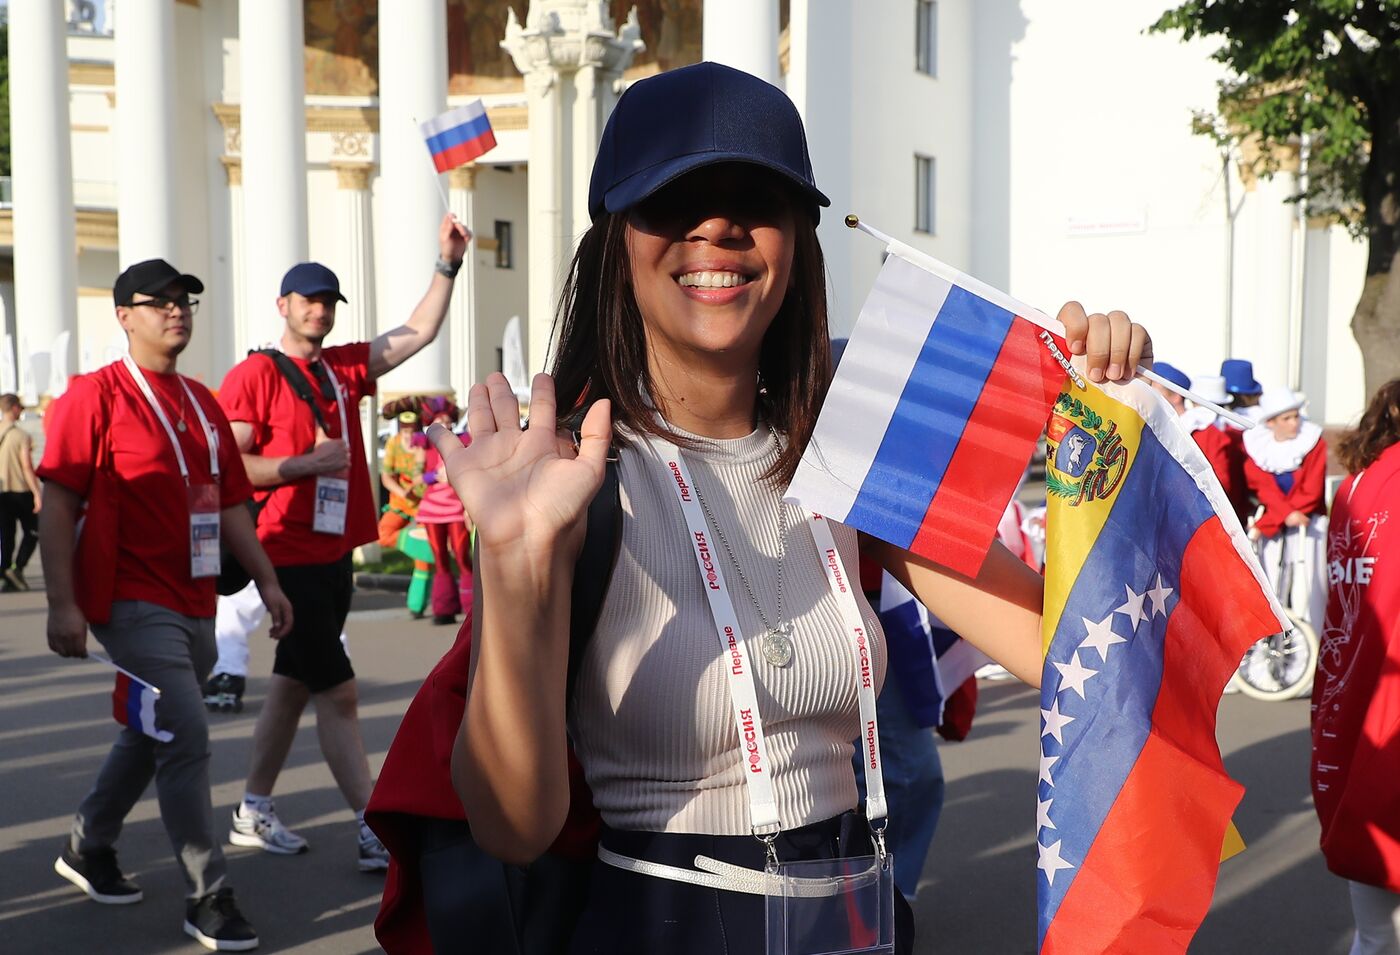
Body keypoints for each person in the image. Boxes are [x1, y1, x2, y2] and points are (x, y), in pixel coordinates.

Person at [425, 62, 1151, 953]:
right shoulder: (566, 475)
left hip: (853, 922)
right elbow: (512, 827)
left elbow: (1069, 649)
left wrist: (1109, 431)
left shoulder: (857, 444)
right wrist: (514, 558)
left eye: (757, 199)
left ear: (800, 240)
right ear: (617, 237)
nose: (719, 226)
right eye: (674, 199)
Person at [39, 258, 293, 952]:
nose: (177, 311)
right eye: (160, 302)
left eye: (185, 301)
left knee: (152, 729)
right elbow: (57, 505)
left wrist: (268, 581)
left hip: (194, 597)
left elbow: (233, 501)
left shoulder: (203, 401)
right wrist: (62, 604)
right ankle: (206, 893)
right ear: (124, 315)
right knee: (185, 731)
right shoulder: (93, 396)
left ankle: (89, 842)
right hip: (127, 600)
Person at [217, 213, 468, 872]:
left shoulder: (342, 368)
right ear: (284, 306)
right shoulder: (254, 376)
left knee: (294, 685)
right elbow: (229, 468)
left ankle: (252, 807)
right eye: (310, 301)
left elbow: (418, 331)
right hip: (283, 553)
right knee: (341, 691)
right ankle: (371, 824)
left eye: (328, 301)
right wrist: (302, 465)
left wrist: (448, 264)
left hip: (331, 554)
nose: (321, 310)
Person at [1313, 379, 1400, 955]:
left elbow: (1330, 607)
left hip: (1348, 715)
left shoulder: (1353, 488)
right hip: (1390, 724)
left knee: (1375, 934)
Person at [1244, 387, 1329, 629]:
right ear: (1271, 422)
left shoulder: (1313, 441)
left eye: (1296, 416)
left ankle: (1312, 645)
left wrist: (1269, 522)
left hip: (1307, 524)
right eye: (1287, 418)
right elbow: (1261, 486)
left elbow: (1311, 491)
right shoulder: (1257, 446)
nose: (1295, 423)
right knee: (1270, 584)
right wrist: (1281, 517)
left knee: (1309, 589)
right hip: (1275, 529)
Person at [415, 396, 472, 625]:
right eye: (440, 421)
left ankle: (471, 609)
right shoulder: (423, 444)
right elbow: (416, 475)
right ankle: (444, 608)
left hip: (456, 505)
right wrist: (433, 476)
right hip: (432, 508)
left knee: (462, 557)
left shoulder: (463, 441)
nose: (446, 425)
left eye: (448, 421)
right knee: (439, 558)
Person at [0, 393, 42, 591]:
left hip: (2, 493)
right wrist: (37, 493)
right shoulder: (21, 436)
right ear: (14, 408)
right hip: (21, 491)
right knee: (33, 531)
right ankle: (18, 568)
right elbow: (27, 467)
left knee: (6, 535)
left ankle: (5, 572)